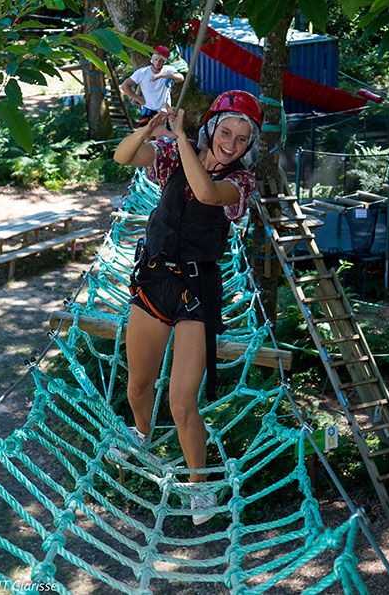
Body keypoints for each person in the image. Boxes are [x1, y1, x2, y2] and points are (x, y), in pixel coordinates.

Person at [110, 90, 263, 525]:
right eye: (226, 132)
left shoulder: (242, 182)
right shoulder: (174, 153)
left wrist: (180, 141)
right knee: (138, 387)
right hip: (155, 279)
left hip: (198, 291)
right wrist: (152, 127)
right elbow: (124, 157)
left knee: (181, 403)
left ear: (248, 146)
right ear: (213, 127)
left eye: (241, 138)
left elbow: (205, 191)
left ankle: (201, 487)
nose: (231, 144)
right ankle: (140, 434)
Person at [120, 45, 184, 126]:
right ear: (152, 59)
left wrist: (161, 75)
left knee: (161, 136)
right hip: (147, 109)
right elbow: (124, 85)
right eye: (156, 59)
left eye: (160, 60)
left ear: (164, 61)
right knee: (148, 136)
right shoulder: (142, 72)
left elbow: (181, 78)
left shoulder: (169, 69)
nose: (157, 63)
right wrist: (138, 98)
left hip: (164, 110)